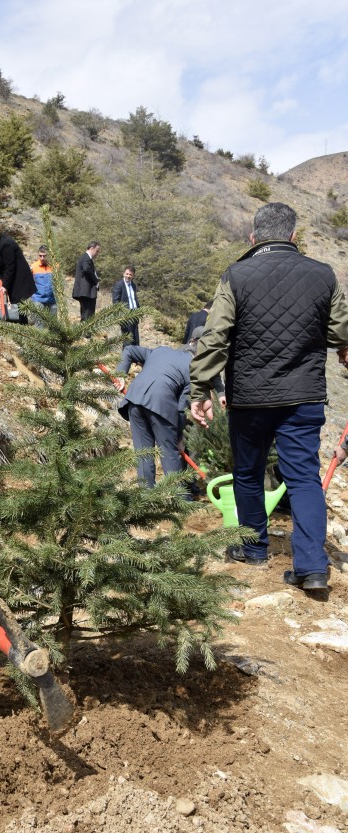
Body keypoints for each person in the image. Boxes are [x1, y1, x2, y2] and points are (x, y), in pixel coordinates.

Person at [190, 202, 348, 592]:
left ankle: (253, 548)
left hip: (250, 396)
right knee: (304, 479)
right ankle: (312, 567)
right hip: (303, 395)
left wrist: (201, 388)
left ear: (253, 237)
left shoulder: (236, 275)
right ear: (293, 236)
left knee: (247, 472)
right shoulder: (323, 274)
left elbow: (215, 337)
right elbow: (341, 331)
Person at [116, 329, 216, 489]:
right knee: (169, 452)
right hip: (160, 405)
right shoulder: (194, 370)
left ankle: (146, 496)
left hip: (134, 400)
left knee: (143, 453)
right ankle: (179, 498)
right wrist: (178, 438)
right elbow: (180, 408)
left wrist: (120, 374)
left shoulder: (161, 350)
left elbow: (129, 350)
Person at [0, 226, 36, 324]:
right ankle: (22, 328)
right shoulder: (1, 243)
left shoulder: (6, 245)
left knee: (19, 306)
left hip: (19, 281)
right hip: (15, 280)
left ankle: (22, 330)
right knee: (18, 306)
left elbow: (10, 267)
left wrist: (5, 286)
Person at [72, 241, 100, 323]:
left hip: (86, 292)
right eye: (97, 251)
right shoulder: (86, 258)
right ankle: (86, 334)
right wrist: (96, 280)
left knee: (86, 313)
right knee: (88, 313)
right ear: (91, 249)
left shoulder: (86, 258)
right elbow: (86, 269)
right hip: (86, 292)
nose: (97, 254)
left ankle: (85, 333)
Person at [112, 265, 140, 344]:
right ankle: (127, 355)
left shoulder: (133, 285)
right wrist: (121, 314)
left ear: (133, 276)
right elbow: (115, 301)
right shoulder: (119, 285)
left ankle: (136, 355)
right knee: (127, 339)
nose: (128, 276)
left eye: (130, 275)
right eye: (127, 274)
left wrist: (139, 311)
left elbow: (134, 299)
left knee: (135, 338)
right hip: (126, 314)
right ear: (123, 274)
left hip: (135, 313)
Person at [30, 246, 56, 311]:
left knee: (52, 321)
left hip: (52, 300)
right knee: (39, 321)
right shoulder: (33, 267)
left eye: (44, 256)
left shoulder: (55, 267)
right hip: (37, 300)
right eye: (40, 256)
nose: (42, 258)